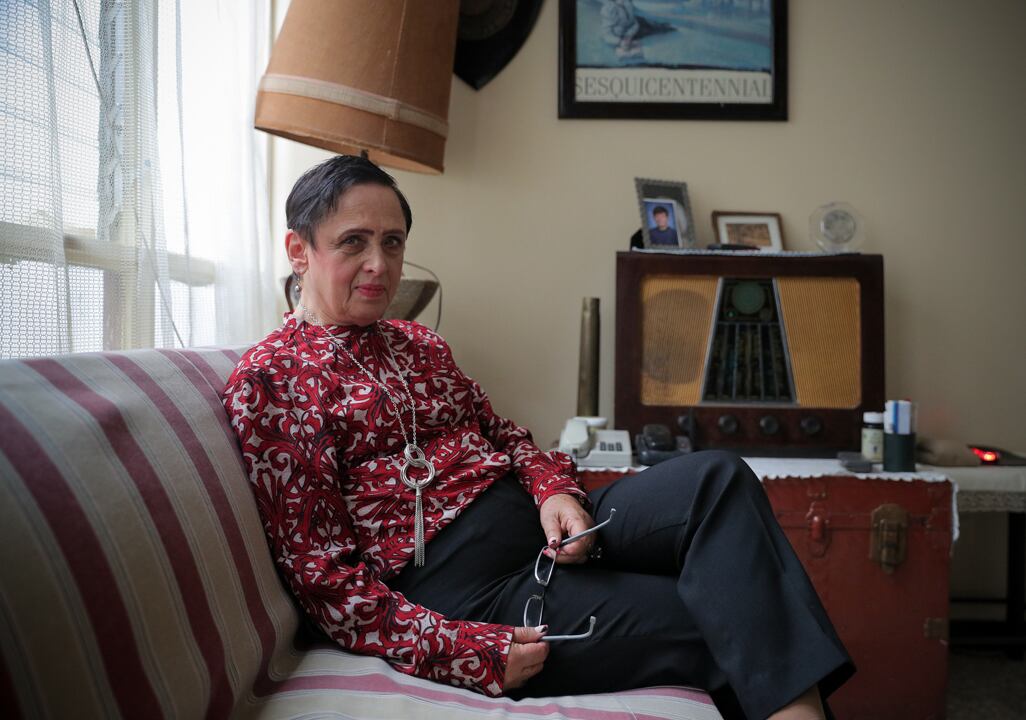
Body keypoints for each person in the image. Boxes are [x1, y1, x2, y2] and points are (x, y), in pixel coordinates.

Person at [221, 155, 854, 720]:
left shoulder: (418, 343)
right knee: (719, 612)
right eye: (353, 242)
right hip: (466, 588)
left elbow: (506, 436)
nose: (379, 265)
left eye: (392, 242)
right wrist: (463, 650)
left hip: (544, 526)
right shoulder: (271, 380)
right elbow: (323, 579)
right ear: (298, 250)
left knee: (716, 477)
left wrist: (554, 491)